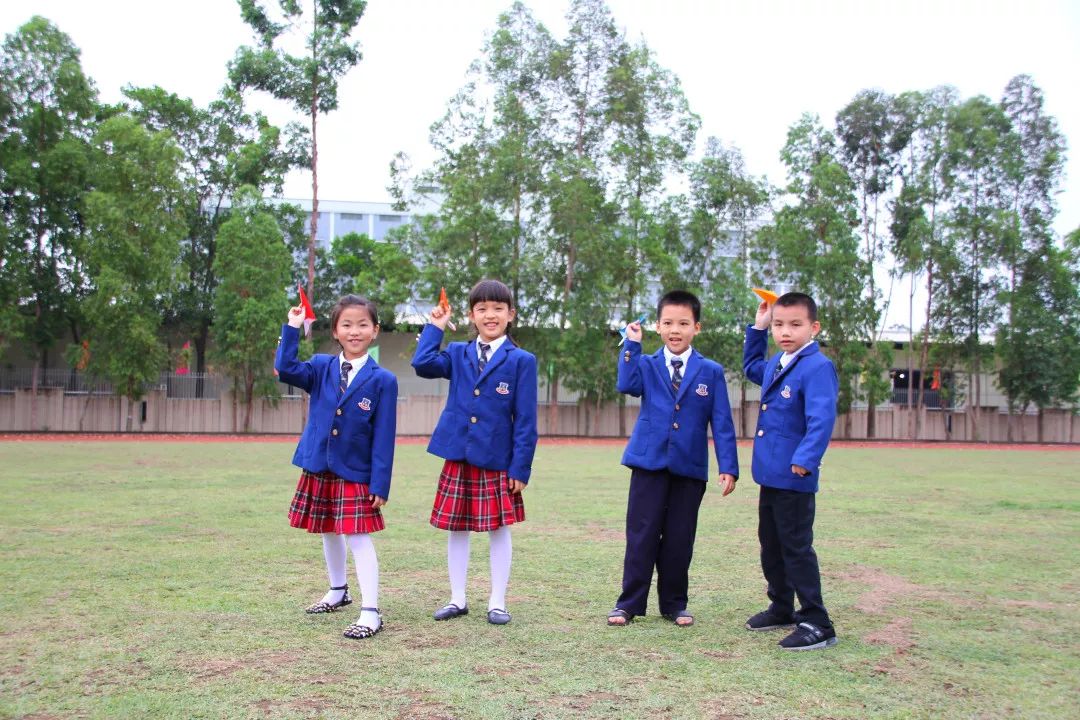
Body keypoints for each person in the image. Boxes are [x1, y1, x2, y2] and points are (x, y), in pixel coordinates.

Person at [607, 290, 739, 628]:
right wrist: (631, 345)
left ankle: (674, 604)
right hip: (648, 464)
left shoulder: (710, 371)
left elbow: (721, 422)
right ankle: (629, 604)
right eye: (668, 323)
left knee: (680, 538)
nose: (675, 330)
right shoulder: (647, 364)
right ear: (657, 326)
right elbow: (626, 385)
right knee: (641, 535)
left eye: (683, 323)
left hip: (689, 467)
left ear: (697, 326)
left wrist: (729, 468)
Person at [411, 279, 538, 626]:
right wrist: (436, 326)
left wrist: (520, 469)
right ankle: (457, 598)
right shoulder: (456, 353)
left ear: (510, 314)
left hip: (497, 458)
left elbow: (526, 420)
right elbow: (421, 363)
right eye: (481, 308)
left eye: (498, 308)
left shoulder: (522, 361)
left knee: (499, 529)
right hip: (458, 453)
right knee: (457, 527)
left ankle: (497, 602)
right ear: (471, 315)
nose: (490, 315)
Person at [275, 294, 397, 640]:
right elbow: (285, 368)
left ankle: (371, 612)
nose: (354, 331)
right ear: (335, 331)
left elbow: (385, 436)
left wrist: (380, 485)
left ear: (375, 331)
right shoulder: (319, 367)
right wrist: (292, 327)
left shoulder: (383, 380)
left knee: (357, 536)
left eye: (362, 325)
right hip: (319, 464)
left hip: (356, 471)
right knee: (328, 528)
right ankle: (338, 591)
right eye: (347, 324)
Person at [742, 291, 839, 651]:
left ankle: (817, 621)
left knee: (796, 547)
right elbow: (751, 366)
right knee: (772, 545)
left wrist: (806, 458)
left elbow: (821, 418)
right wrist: (758, 326)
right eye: (779, 325)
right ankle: (781, 607)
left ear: (813, 327)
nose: (785, 331)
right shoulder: (777, 362)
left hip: (795, 476)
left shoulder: (816, 366)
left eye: (795, 325)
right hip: (771, 474)